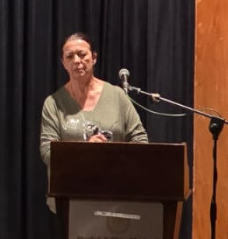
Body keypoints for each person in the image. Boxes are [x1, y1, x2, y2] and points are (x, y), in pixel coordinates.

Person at [39, 32, 147, 211]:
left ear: (94, 58)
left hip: (116, 196)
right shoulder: (53, 103)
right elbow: (47, 151)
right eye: (70, 56)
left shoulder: (117, 96)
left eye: (82, 54)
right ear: (63, 63)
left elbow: (140, 140)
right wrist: (85, 151)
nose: (77, 60)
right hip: (71, 199)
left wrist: (112, 154)